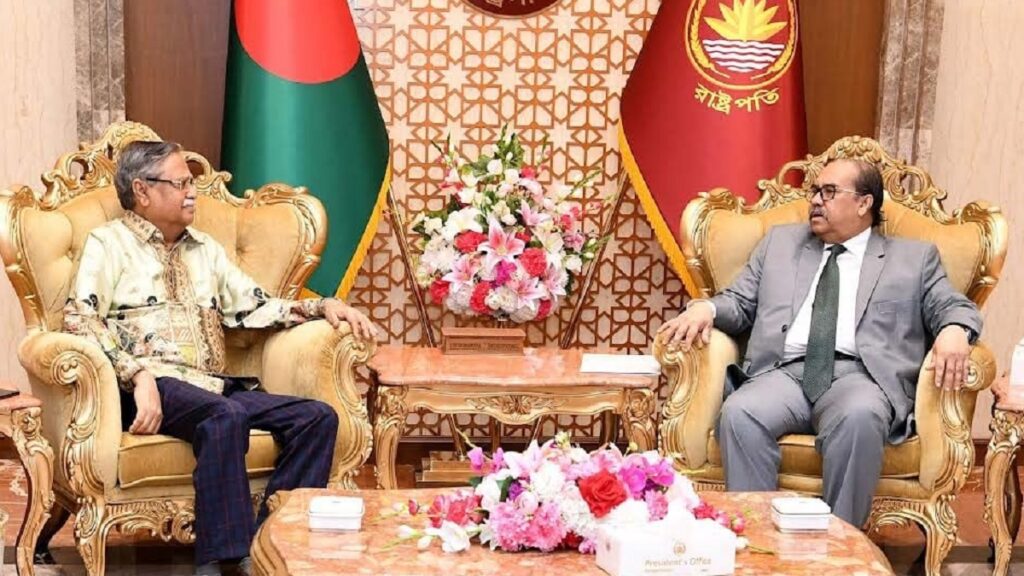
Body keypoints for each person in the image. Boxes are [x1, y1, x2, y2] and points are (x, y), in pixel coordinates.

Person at [62, 140, 377, 576]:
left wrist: (321, 307)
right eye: (180, 183)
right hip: (148, 387)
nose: (192, 192)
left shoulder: (204, 249)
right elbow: (79, 318)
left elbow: (254, 306)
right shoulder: (108, 243)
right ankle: (220, 560)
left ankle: (269, 543)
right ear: (142, 190)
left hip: (211, 386)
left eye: (191, 182)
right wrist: (137, 376)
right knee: (225, 415)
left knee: (316, 418)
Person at [658, 158, 981, 527]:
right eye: (814, 191)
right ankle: (759, 539)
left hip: (860, 377)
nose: (815, 200)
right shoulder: (779, 243)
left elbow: (954, 307)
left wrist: (955, 329)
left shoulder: (913, 258)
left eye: (829, 192)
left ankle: (841, 543)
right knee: (740, 413)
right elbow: (739, 301)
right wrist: (707, 308)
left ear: (864, 203)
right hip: (785, 373)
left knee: (860, 417)